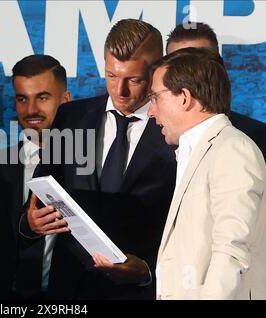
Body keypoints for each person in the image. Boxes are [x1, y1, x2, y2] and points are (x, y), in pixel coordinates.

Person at [20, 19, 177, 299]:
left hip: (140, 291)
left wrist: (147, 272)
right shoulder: (70, 117)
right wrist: (30, 223)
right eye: (112, 76)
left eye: (134, 79)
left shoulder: (175, 130)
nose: (120, 91)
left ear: (157, 71)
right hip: (69, 290)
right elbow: (35, 202)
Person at [149, 47, 266, 299]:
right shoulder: (196, 152)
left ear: (184, 97)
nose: (151, 111)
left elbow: (231, 251)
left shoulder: (232, 149)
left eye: (155, 98)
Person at [0, 55, 71, 299]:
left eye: (43, 97)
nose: (31, 110)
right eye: (22, 99)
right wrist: (25, 226)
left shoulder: (87, 165)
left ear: (66, 100)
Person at [166, 22, 266, 157]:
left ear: (219, 66)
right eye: (178, 65)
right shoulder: (150, 137)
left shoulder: (258, 138)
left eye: (199, 63)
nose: (189, 75)